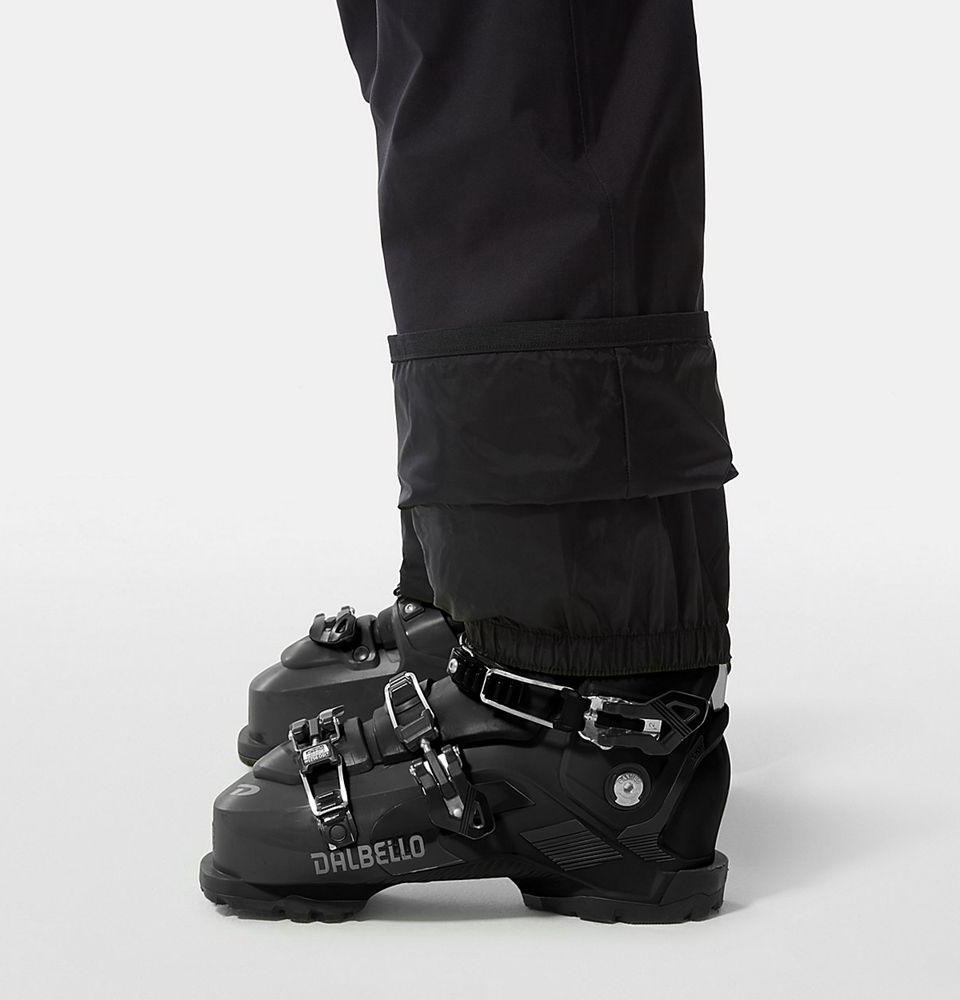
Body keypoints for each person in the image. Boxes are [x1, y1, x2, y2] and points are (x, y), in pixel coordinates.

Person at [201, 0, 736, 923]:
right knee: (441, 59)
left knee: (516, 52)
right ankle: (479, 604)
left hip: (590, 683)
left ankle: (581, 703)